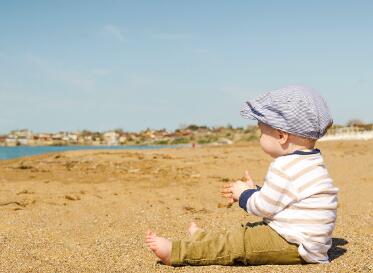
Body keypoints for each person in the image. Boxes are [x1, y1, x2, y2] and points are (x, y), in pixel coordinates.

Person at [145, 85, 338, 266]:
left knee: (239, 243)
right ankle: (203, 238)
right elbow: (286, 200)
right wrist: (256, 191)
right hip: (309, 242)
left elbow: (263, 208)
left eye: (262, 132)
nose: (260, 136)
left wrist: (243, 195)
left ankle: (177, 252)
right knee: (244, 232)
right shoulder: (311, 163)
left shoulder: (283, 167)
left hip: (294, 243)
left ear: (281, 136)